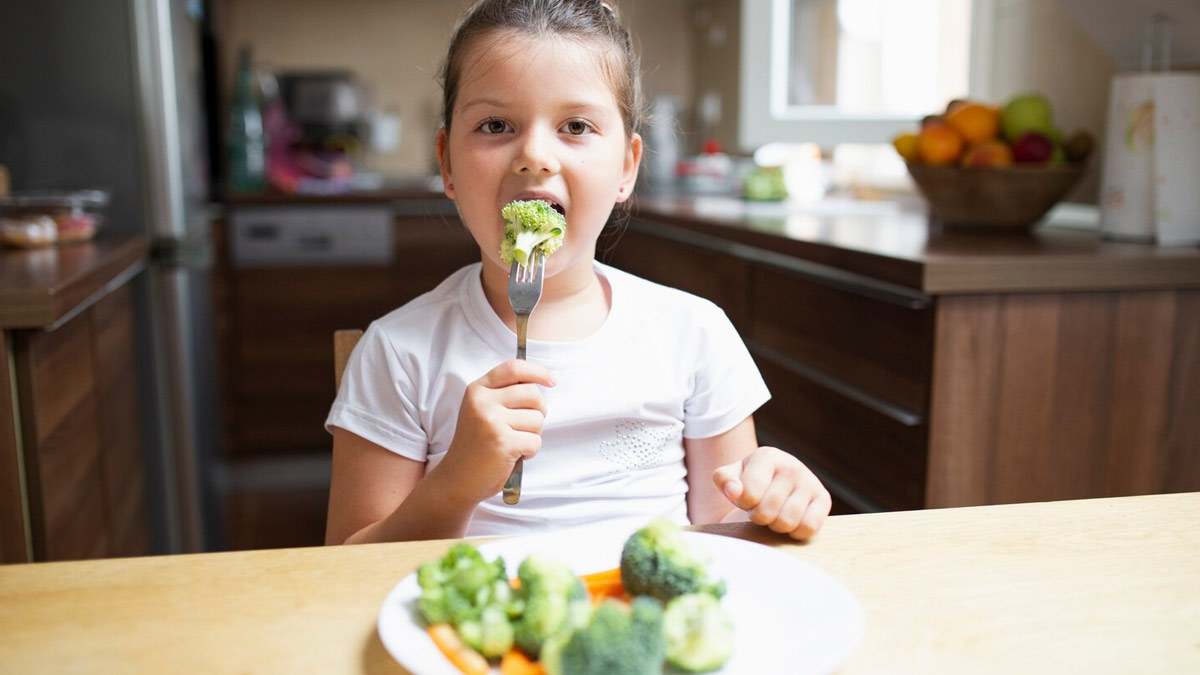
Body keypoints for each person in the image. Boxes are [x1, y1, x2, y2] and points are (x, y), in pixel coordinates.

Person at [324, 0, 831, 545]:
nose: (534, 155)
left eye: (576, 126)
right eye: (496, 125)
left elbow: (728, 534)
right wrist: (454, 483)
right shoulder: (398, 352)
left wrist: (774, 501)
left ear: (627, 166)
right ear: (447, 163)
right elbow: (347, 567)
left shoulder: (694, 334)